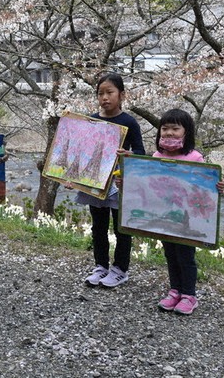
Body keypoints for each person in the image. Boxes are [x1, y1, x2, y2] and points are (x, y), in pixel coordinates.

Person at [75, 73, 146, 289]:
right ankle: (101, 266)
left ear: (121, 95)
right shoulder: (91, 120)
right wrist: (73, 176)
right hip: (94, 179)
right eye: (100, 93)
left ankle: (120, 270)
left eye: (110, 92)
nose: (105, 97)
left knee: (121, 226)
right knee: (98, 225)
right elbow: (82, 151)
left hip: (118, 182)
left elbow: (140, 151)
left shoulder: (129, 122)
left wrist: (128, 155)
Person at [152, 109, 224, 315]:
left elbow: (206, 184)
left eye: (175, 128)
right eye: (165, 128)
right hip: (165, 215)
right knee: (170, 254)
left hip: (188, 217)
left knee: (185, 255)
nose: (169, 133)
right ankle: (174, 290)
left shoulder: (194, 157)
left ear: (187, 132)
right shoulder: (156, 156)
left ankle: (189, 295)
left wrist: (216, 186)